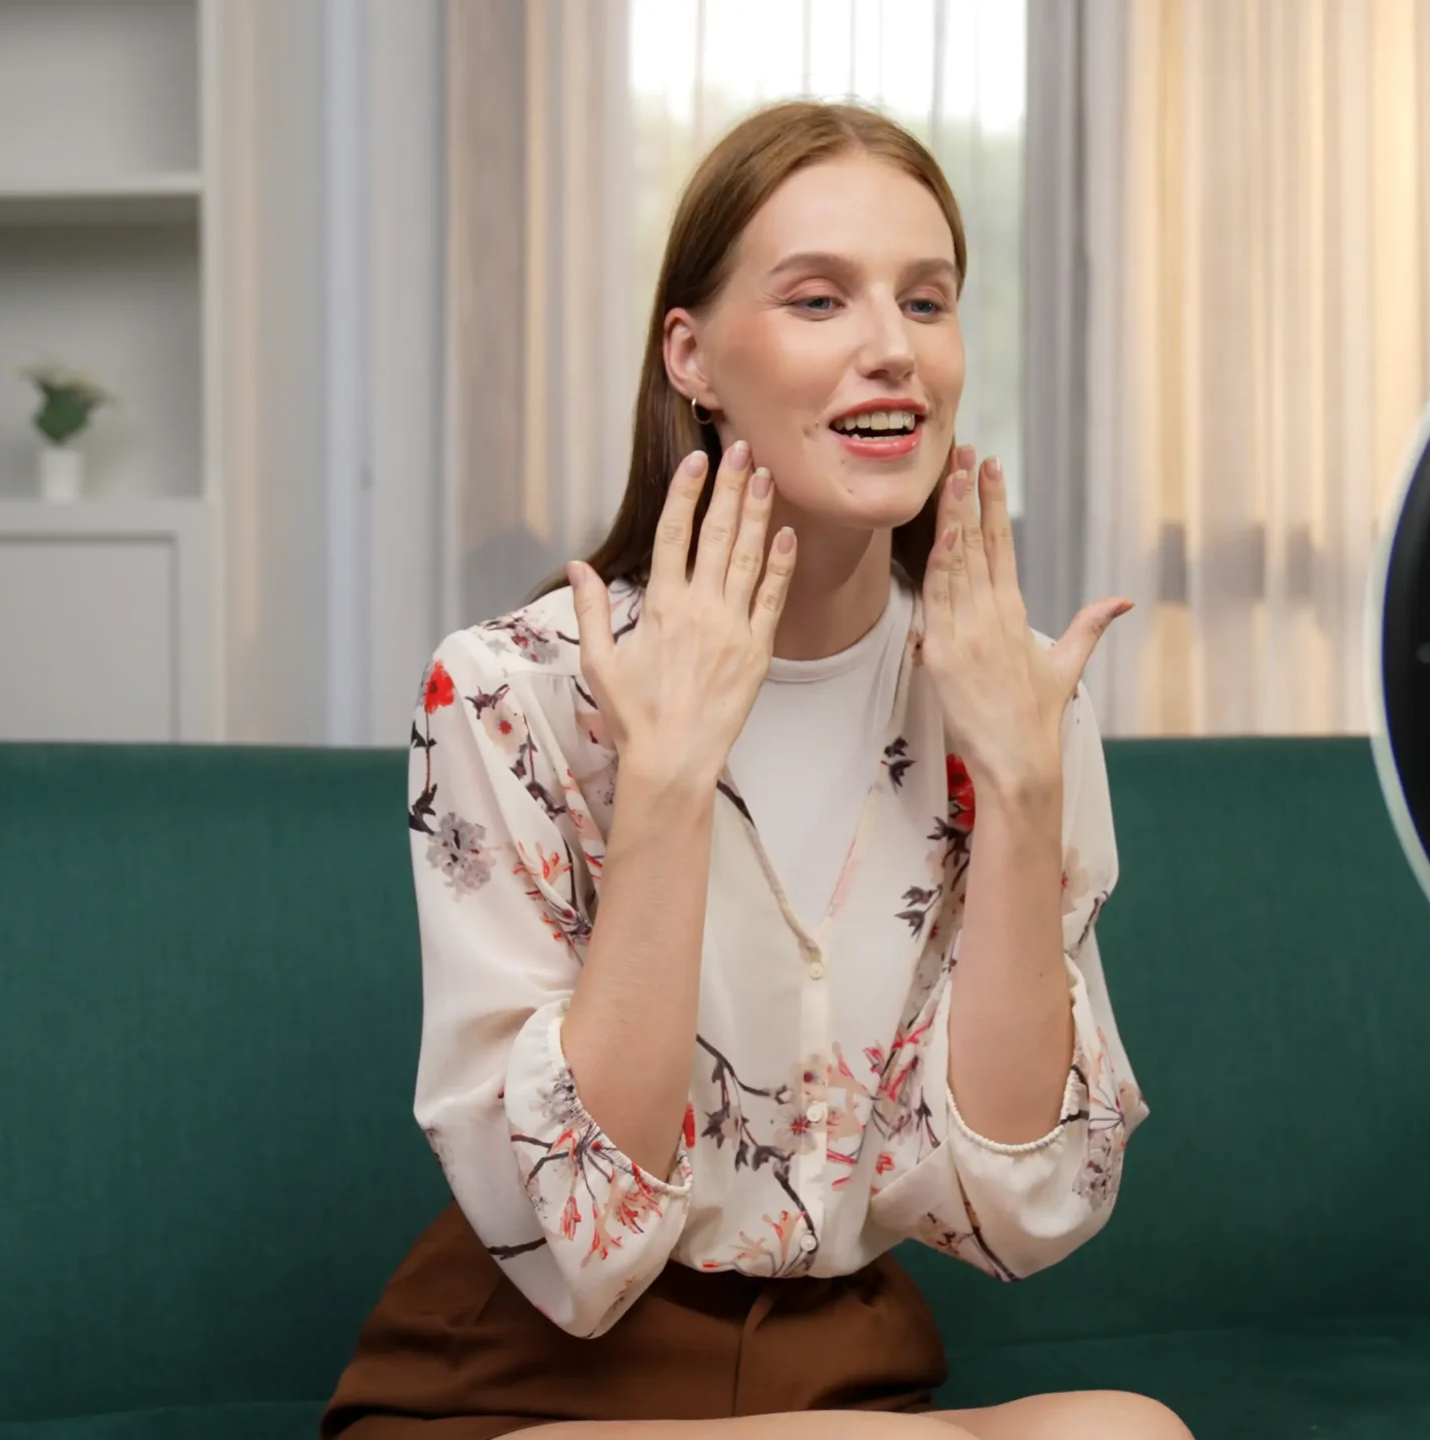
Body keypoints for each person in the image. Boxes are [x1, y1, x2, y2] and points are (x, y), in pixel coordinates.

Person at [323, 100, 1179, 1440]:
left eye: (929, 300)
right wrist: (664, 786)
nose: (893, 349)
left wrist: (1017, 791)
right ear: (694, 355)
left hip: (838, 1371)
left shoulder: (1011, 693)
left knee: (1126, 1432)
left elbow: (1016, 1208)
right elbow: (581, 1243)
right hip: (525, 1381)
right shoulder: (515, 688)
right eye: (820, 299)